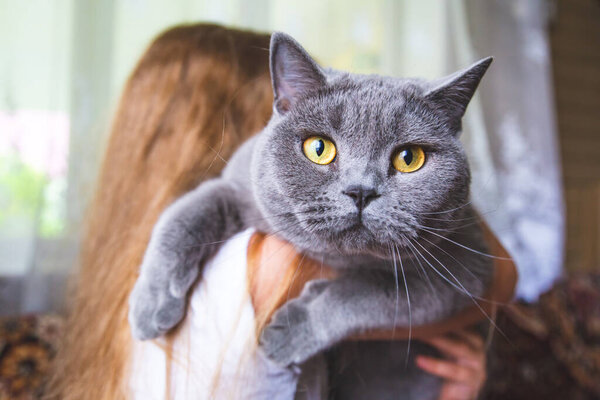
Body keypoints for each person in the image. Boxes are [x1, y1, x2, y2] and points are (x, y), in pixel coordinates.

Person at [50, 24, 513, 400]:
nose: (361, 190)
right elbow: (500, 276)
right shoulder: (260, 264)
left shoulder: (116, 282)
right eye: (320, 148)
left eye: (408, 159)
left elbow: (478, 273)